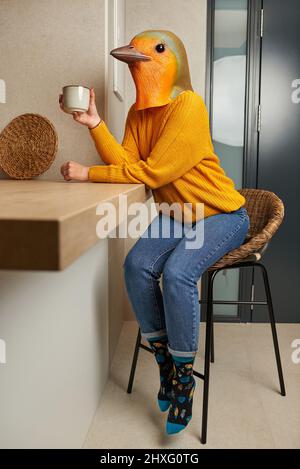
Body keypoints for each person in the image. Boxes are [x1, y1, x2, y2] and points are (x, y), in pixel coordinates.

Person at [59, 30, 249, 435]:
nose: (140, 56)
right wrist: (94, 123)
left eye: (156, 50)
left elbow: (154, 173)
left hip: (220, 212)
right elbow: (127, 161)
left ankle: (183, 379)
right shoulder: (137, 115)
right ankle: (163, 361)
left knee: (179, 274)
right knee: (136, 266)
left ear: (174, 62)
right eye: (137, 50)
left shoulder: (188, 105)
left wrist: (88, 173)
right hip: (180, 213)